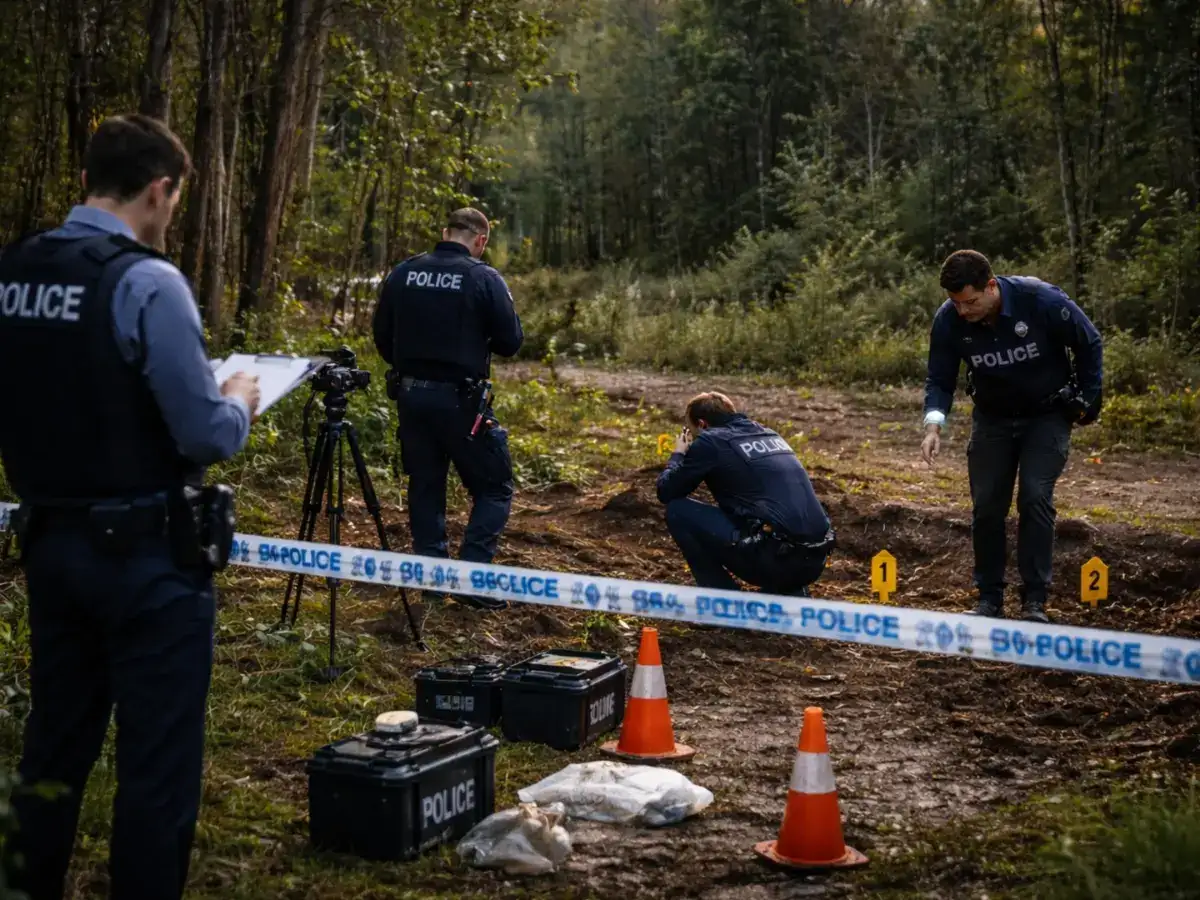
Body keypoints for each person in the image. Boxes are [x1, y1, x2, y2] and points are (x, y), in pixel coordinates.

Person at [0, 114, 261, 900]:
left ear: (85, 181)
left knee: (51, 749)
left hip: (48, 542)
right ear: (160, 190)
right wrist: (239, 400)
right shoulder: (147, 281)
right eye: (175, 200)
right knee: (156, 769)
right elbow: (205, 432)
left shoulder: (13, 270)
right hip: (148, 558)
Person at [921, 249, 1103, 623]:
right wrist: (933, 425)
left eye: (970, 302)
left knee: (1036, 496)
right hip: (993, 419)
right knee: (987, 505)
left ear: (991, 287)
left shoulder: (1041, 300)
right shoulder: (949, 321)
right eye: (955, 303)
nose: (963, 311)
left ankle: (1034, 600)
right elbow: (939, 377)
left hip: (1047, 415)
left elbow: (1089, 342)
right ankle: (989, 598)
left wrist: (1086, 399)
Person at [372, 208, 522, 609]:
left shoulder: (403, 273)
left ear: (445, 232)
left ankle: (434, 583)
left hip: (410, 397)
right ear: (481, 240)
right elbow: (511, 341)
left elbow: (382, 337)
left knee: (425, 486)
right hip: (461, 401)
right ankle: (473, 580)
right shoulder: (483, 277)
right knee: (495, 486)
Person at [656, 392, 835, 597]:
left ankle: (724, 601)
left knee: (678, 511)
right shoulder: (770, 435)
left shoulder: (711, 441)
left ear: (703, 424)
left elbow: (666, 491)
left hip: (776, 560)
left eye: (692, 430)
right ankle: (789, 592)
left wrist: (679, 453)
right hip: (815, 560)